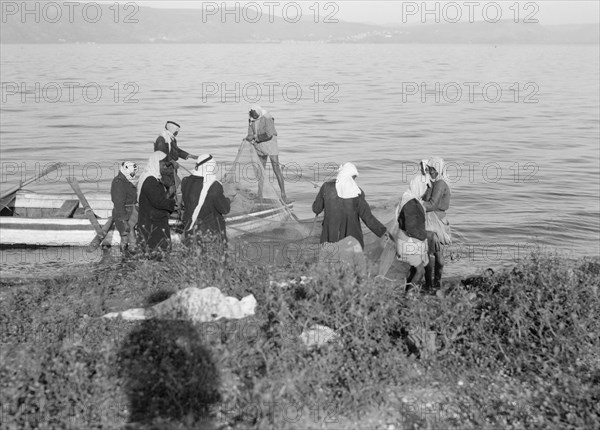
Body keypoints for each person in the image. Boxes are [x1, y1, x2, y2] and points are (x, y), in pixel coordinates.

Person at [312, 162, 391, 250]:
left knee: (331, 261)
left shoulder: (326, 187)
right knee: (352, 263)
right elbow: (368, 218)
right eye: (353, 178)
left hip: (330, 238)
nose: (353, 181)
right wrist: (383, 231)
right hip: (352, 240)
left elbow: (316, 209)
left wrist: (322, 195)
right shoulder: (357, 192)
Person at [181, 154, 231, 251]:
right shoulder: (214, 185)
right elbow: (225, 209)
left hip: (189, 228)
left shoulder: (185, 181)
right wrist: (228, 200)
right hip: (209, 230)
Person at [244, 105, 288, 203]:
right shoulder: (251, 119)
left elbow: (269, 135)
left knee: (276, 168)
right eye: (253, 116)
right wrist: (248, 138)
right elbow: (250, 133)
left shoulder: (268, 117)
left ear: (259, 112)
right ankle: (260, 194)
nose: (254, 118)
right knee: (261, 170)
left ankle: (283, 193)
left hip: (270, 143)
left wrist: (255, 138)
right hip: (259, 145)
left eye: (256, 116)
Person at [136, 151, 177, 255]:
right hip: (152, 223)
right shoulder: (150, 181)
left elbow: (157, 198)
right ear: (155, 163)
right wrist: (173, 204)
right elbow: (159, 202)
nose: (164, 167)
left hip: (149, 220)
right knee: (158, 252)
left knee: (152, 252)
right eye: (162, 164)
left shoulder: (150, 177)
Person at [423, 157, 452, 290]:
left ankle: (431, 284)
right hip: (438, 220)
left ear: (439, 169)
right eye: (430, 169)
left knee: (432, 255)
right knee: (437, 254)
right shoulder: (437, 183)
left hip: (435, 222)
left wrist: (415, 204)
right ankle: (436, 283)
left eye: (434, 169)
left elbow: (433, 204)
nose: (431, 172)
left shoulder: (439, 184)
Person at [397, 175, 430, 286]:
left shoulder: (409, 198)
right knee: (421, 271)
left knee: (414, 270)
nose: (426, 192)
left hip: (405, 240)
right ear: (420, 187)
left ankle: (407, 292)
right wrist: (424, 236)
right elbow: (410, 227)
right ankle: (409, 296)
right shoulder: (410, 203)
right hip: (408, 243)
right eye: (426, 189)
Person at [154, 121, 199, 198]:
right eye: (176, 132)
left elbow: (177, 151)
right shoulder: (161, 139)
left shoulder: (172, 139)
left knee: (174, 186)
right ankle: (166, 203)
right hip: (163, 168)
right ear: (172, 129)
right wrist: (172, 161)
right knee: (171, 187)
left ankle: (171, 203)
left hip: (171, 168)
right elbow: (160, 154)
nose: (177, 133)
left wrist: (190, 156)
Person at [111, 161, 138, 253]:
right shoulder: (119, 183)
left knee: (125, 238)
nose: (133, 173)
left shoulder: (126, 180)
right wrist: (124, 221)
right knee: (132, 238)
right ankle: (131, 259)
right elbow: (118, 203)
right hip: (124, 213)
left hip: (130, 212)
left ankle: (124, 259)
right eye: (132, 171)